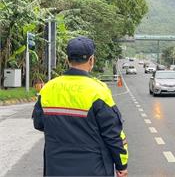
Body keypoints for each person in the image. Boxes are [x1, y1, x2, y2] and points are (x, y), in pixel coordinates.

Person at [32, 36, 128, 177]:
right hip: (93, 170)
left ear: (67, 60)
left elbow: (39, 123)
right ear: (91, 60)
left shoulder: (48, 88)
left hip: (55, 169)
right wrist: (122, 165)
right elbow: (113, 134)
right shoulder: (98, 91)